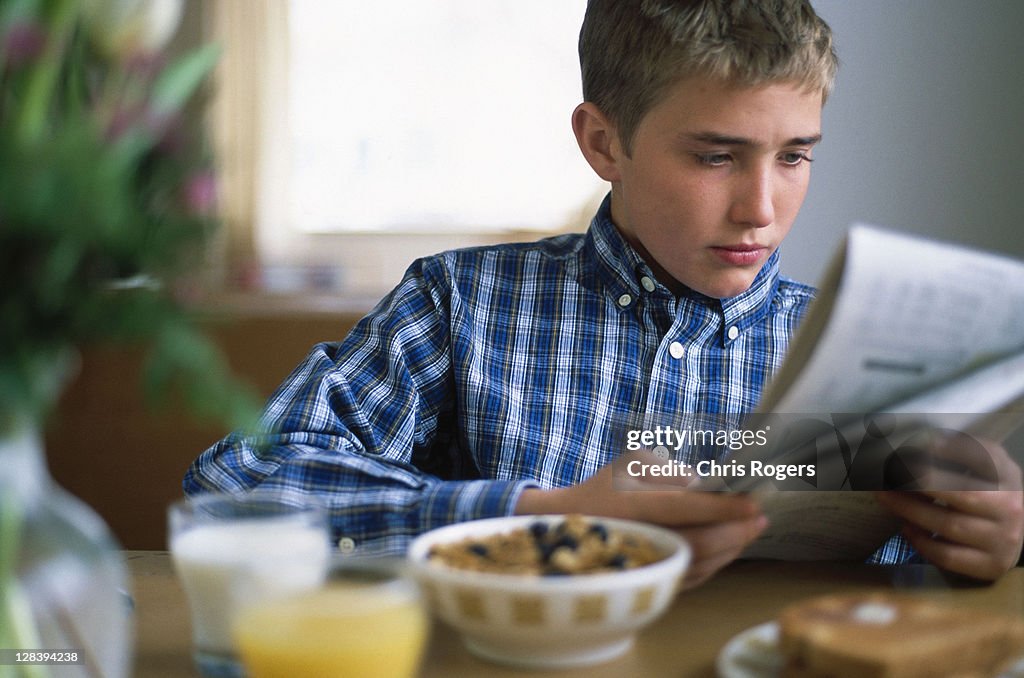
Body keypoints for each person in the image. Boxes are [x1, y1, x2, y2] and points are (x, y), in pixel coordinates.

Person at [185, 0, 1023, 588]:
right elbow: (237, 488)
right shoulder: (461, 305)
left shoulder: (857, 345)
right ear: (604, 142)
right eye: (716, 156)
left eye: (795, 155)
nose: (763, 209)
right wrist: (538, 515)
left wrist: (982, 546)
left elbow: (912, 599)